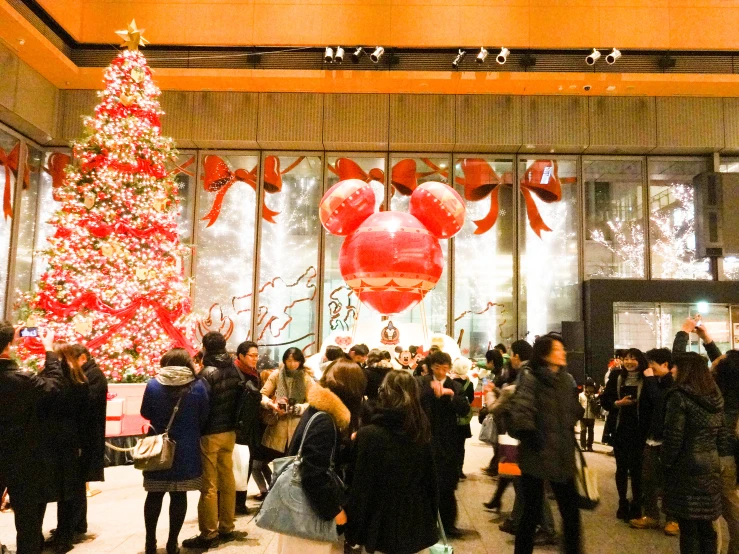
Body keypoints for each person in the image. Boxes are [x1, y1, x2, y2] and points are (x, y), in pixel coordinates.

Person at [276, 358, 367, 554]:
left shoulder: (318, 411)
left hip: (303, 511)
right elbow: (313, 473)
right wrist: (335, 511)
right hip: (309, 515)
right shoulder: (325, 421)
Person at [507, 335, 584, 554]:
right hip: (537, 454)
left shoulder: (565, 379)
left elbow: (571, 410)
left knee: (570, 512)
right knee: (530, 514)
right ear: (544, 354)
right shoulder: (530, 378)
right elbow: (521, 413)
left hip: (561, 454)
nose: (563, 353)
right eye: (558, 349)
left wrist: (574, 413)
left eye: (563, 349)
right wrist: (533, 438)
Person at [347, 371, 438, 554]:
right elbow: (431, 481)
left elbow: (359, 486)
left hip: (378, 522)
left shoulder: (369, 435)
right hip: (415, 519)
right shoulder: (421, 431)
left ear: (384, 393)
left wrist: (352, 530)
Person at [140, 349, 209, 554]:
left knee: (154, 494)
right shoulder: (198, 386)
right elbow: (204, 416)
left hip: (158, 448)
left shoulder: (153, 384)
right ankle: (172, 544)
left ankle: (150, 543)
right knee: (179, 496)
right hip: (186, 448)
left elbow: (145, 412)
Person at [0, 324, 61, 554]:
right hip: (22, 459)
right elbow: (54, 385)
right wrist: (49, 350)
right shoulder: (22, 380)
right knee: (27, 520)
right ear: (8, 346)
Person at [183, 332, 241, 550]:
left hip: (210, 434)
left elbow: (201, 404)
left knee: (209, 485)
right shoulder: (234, 368)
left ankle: (209, 533)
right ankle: (227, 526)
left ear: (205, 347)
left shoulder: (206, 372)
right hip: (230, 432)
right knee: (227, 479)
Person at [662, 352, 725, 554]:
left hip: (686, 466)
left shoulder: (679, 396)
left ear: (685, 370)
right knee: (706, 526)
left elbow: (673, 438)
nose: (672, 370)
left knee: (689, 528)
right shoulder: (715, 395)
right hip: (711, 463)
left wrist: (665, 463)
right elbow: (722, 434)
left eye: (675, 366)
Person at [41, 344, 90, 554]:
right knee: (68, 491)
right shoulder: (79, 381)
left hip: (48, 441)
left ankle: (42, 535)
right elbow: (84, 415)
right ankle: (65, 535)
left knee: (46, 490)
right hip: (71, 441)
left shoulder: (49, 382)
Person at [417, 350, 471, 538]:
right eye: (437, 368)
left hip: (448, 441)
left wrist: (449, 395)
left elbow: (465, 410)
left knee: (447, 485)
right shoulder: (421, 383)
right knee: (424, 484)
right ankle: (425, 524)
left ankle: (448, 525)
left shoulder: (455, 386)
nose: (441, 372)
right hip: (424, 438)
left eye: (445, 368)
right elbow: (414, 404)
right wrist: (430, 392)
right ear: (431, 367)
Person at [600, 348, 653, 521]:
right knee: (621, 468)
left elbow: (653, 401)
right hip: (620, 429)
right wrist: (617, 403)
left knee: (637, 470)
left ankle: (637, 503)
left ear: (640, 361)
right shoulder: (616, 376)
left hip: (640, 431)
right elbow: (605, 400)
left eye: (633, 359)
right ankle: (623, 502)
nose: (629, 362)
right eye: (627, 359)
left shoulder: (647, 378)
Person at [630, 347, 679, 536]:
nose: (649, 367)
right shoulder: (654, 380)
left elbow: (661, 402)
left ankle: (673, 519)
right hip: (651, 438)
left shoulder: (671, 382)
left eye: (652, 364)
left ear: (665, 365)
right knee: (648, 479)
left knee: (668, 482)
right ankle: (651, 515)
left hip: (667, 439)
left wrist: (650, 380)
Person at [69, 344, 108, 537]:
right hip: (82, 437)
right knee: (75, 483)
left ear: (83, 357)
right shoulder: (86, 374)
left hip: (86, 438)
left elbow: (88, 404)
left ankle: (76, 525)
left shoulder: (94, 375)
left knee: (76, 484)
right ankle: (76, 524)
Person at [261, 347, 315, 457]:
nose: (292, 364)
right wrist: (271, 404)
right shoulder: (277, 374)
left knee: (291, 461)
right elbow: (262, 395)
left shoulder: (306, 378)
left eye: (296, 361)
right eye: (289, 360)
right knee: (271, 460)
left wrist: (297, 408)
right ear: (284, 360)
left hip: (297, 425)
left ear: (300, 361)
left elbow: (313, 402)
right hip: (277, 425)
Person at [714, 350, 739, 554]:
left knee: (725, 509)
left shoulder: (717, 398)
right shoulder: (732, 395)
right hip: (729, 457)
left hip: (719, 457)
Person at [232, 340, 262, 515]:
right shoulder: (235, 373)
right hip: (238, 428)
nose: (255, 359)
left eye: (257, 356)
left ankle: (240, 502)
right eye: (252, 355)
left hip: (251, 426)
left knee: (247, 464)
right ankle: (234, 502)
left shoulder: (254, 373)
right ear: (241, 356)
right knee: (237, 464)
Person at [452, 357, 474, 480]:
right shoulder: (469, 384)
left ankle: (452, 469)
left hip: (451, 418)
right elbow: (470, 400)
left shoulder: (449, 382)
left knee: (451, 445)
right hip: (463, 420)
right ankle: (460, 469)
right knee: (461, 446)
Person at [578, 378, 598, 451]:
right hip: (583, 416)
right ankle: (583, 445)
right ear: (585, 387)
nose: (590, 389)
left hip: (591, 416)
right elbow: (578, 405)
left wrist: (591, 399)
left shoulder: (594, 396)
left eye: (591, 387)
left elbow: (596, 406)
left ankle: (589, 446)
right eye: (588, 387)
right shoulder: (581, 395)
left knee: (590, 431)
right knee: (583, 431)